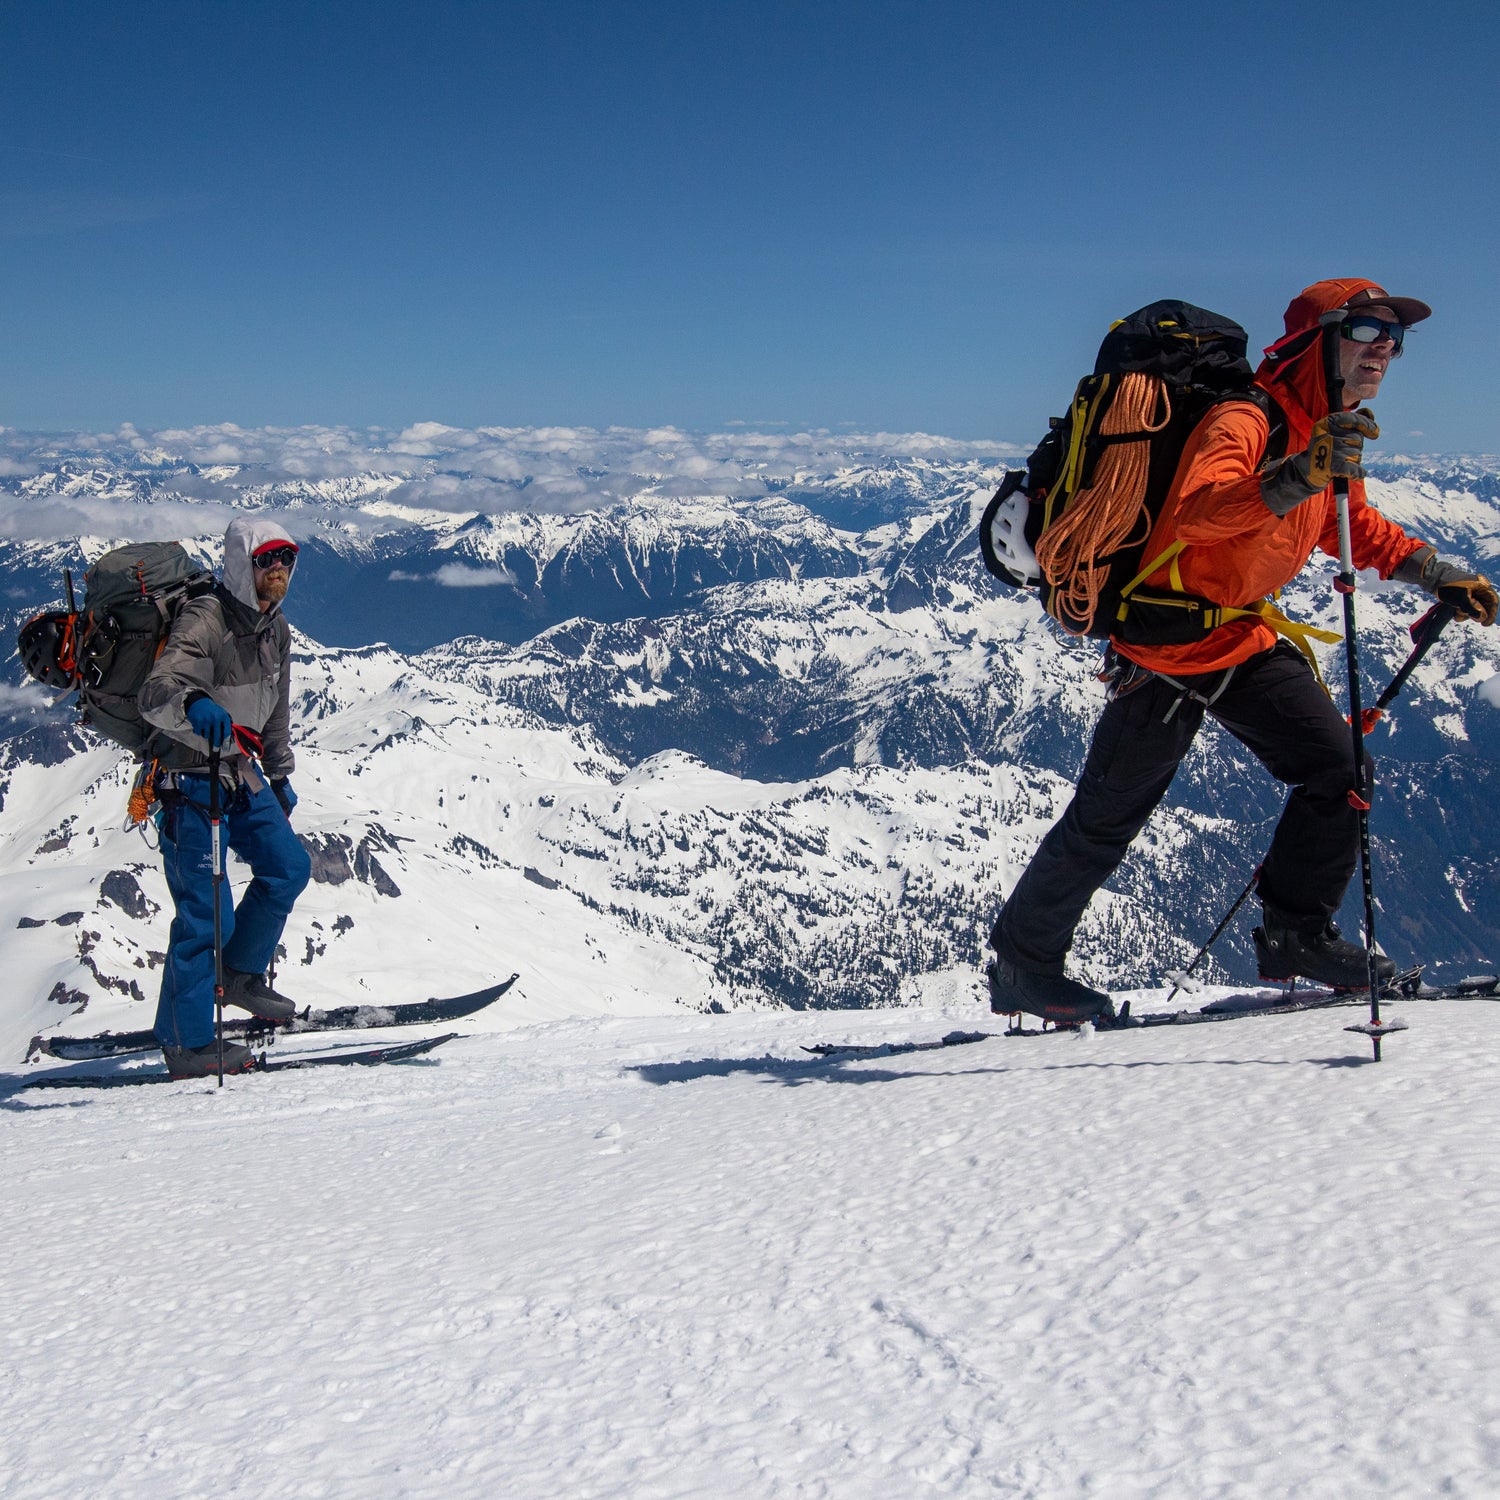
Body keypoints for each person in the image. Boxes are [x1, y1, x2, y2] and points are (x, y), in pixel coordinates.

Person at [987, 278, 1499, 1024]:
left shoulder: (1322, 430)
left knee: (1322, 771)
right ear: (1314, 340)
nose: (1383, 345)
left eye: (1393, 335)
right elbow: (1200, 514)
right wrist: (1298, 474)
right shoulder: (1245, 418)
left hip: (1216, 631)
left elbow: (1347, 523)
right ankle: (1282, 934)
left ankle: (1040, 963)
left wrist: (1435, 572)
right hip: (1177, 634)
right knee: (1312, 772)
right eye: (1363, 328)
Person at [139, 517, 312, 1076]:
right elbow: (156, 691)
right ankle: (187, 1043)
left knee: (287, 868)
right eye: (268, 559)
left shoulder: (275, 629)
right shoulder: (206, 619)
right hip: (190, 780)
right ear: (244, 565)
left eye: (287, 558)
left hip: (240, 773)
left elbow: (275, 711)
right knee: (204, 916)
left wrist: (279, 774)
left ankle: (237, 975)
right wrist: (192, 706)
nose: (279, 568)